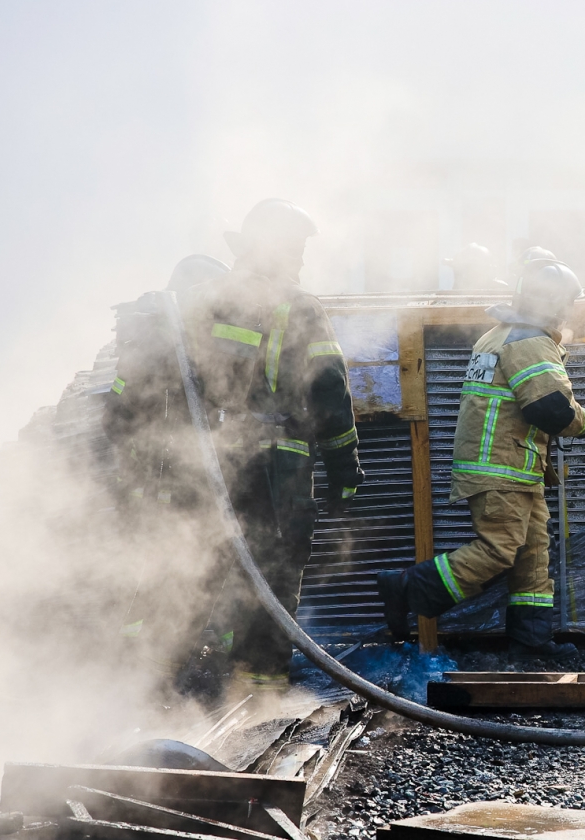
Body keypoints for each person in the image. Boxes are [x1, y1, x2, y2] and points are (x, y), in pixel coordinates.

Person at [180, 198, 364, 688]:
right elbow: (330, 393)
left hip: (205, 461)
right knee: (274, 569)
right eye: (297, 248)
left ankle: (163, 681)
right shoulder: (299, 308)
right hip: (278, 464)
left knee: (198, 565)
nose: (301, 260)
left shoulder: (200, 299)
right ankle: (257, 692)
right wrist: (345, 473)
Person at [376, 258, 585, 659]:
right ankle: (407, 587)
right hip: (503, 468)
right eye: (567, 302)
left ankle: (531, 642)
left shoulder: (499, 336)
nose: (570, 311)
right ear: (553, 303)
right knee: (499, 549)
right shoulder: (529, 342)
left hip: (515, 468)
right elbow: (551, 410)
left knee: (531, 556)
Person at [102, 254, 230, 677]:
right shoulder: (165, 343)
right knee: (174, 572)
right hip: (169, 483)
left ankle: (149, 666)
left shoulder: (175, 342)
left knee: (170, 571)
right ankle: (153, 672)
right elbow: (122, 416)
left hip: (162, 481)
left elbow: (118, 416)